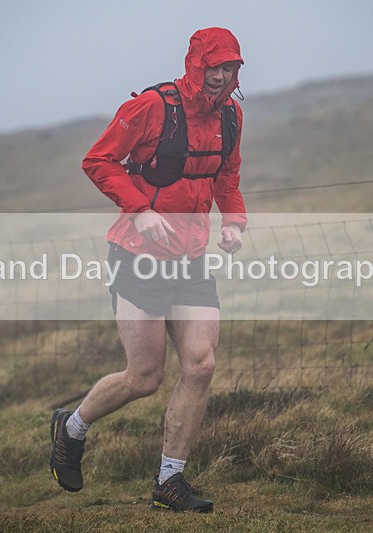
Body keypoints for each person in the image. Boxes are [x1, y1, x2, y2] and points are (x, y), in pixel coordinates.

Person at [50, 27, 247, 513]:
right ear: (196, 65)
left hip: (192, 259)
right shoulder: (153, 107)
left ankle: (169, 482)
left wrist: (235, 222)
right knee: (144, 377)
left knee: (201, 365)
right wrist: (140, 207)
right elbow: (98, 160)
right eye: (215, 67)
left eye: (231, 69)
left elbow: (227, 176)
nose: (222, 77)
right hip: (138, 256)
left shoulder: (232, 115)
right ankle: (71, 428)